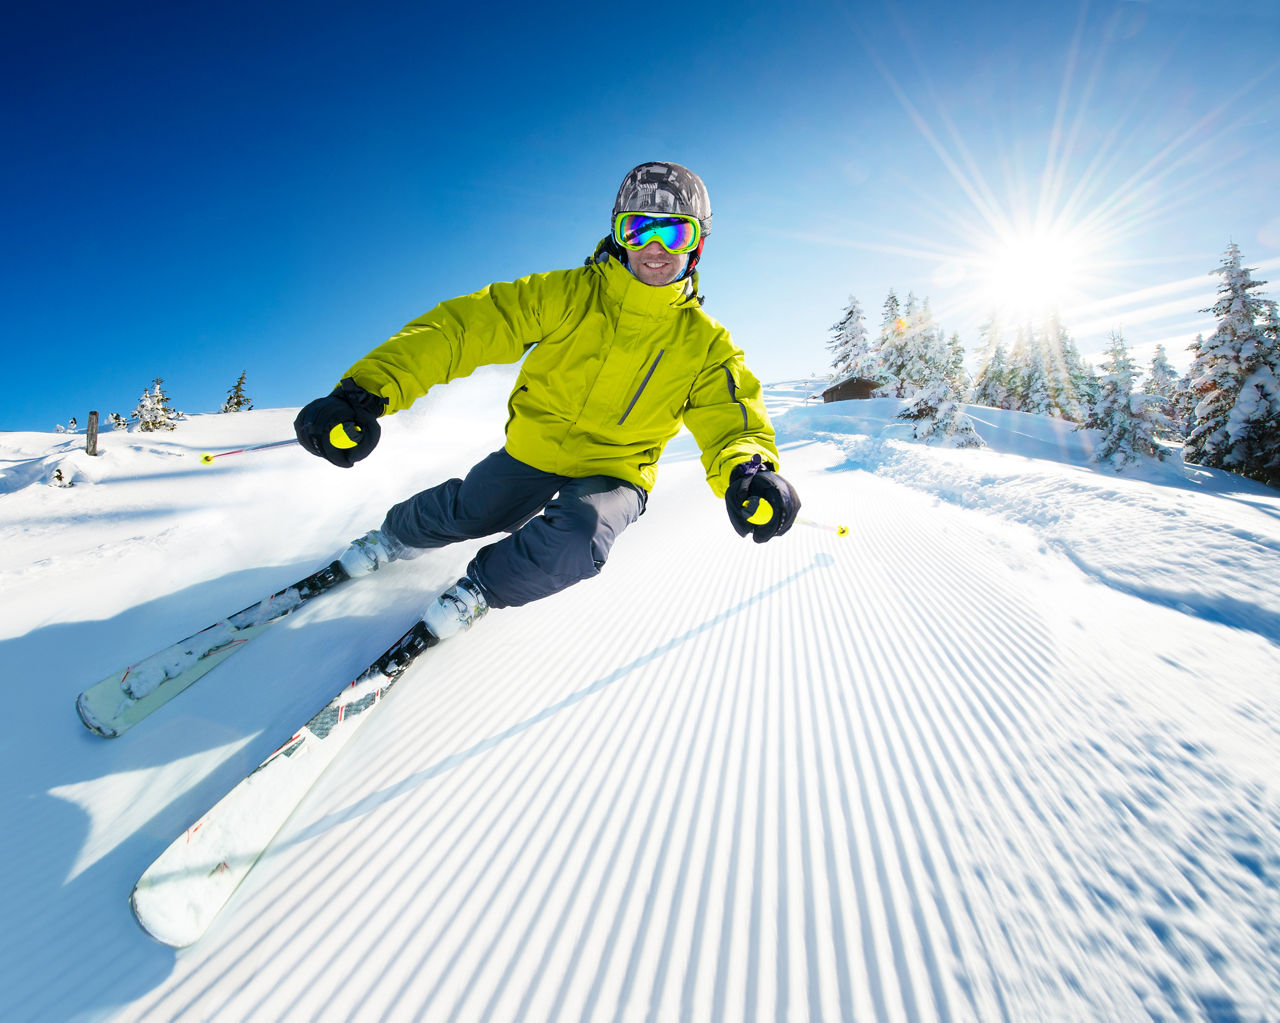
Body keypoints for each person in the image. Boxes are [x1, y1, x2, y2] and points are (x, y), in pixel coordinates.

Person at [294, 161, 800, 641]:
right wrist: (365, 391)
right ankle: (392, 539)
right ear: (619, 234)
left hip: (618, 468)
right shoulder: (566, 295)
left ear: (698, 246)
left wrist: (749, 472)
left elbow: (732, 421)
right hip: (535, 449)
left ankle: (481, 590)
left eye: (675, 232)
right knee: (473, 510)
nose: (654, 246)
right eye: (639, 227)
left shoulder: (707, 345)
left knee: (581, 535)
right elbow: (462, 330)